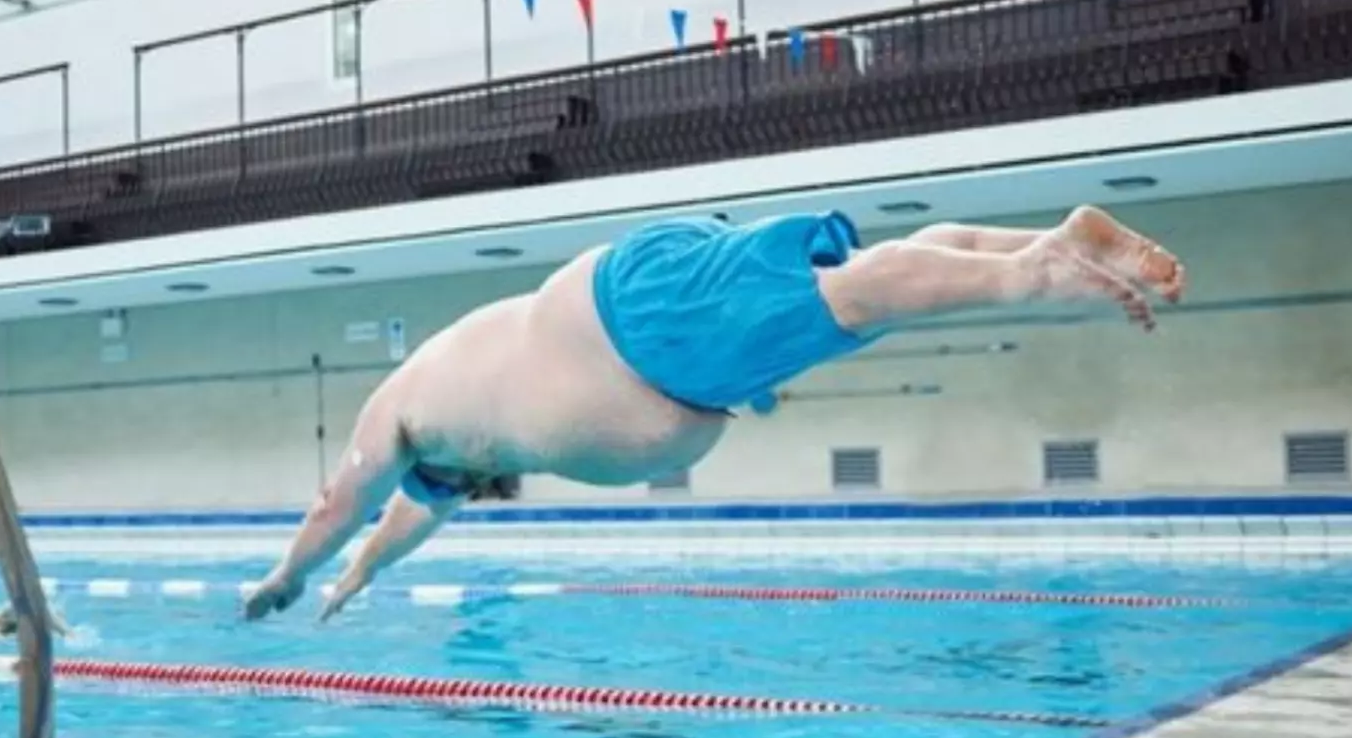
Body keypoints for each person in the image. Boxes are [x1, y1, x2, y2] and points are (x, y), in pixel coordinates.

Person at [242, 205, 1184, 622]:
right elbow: (408, 512)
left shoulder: (395, 406)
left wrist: (286, 575)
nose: (459, 488)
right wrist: (358, 576)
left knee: (849, 301)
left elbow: (344, 497)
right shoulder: (443, 423)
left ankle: (1036, 270)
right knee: (851, 297)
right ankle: (1027, 242)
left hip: (628, 325)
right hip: (647, 326)